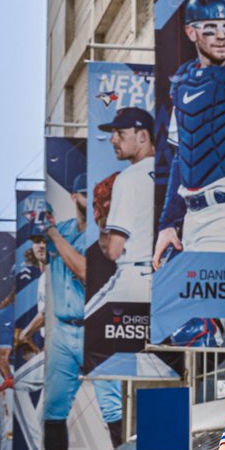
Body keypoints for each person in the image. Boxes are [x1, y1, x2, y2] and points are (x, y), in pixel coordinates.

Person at [152, 0, 225, 264]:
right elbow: (181, 159)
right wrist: (167, 224)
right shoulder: (183, 82)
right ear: (191, 33)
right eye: (211, 29)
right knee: (190, 304)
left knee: (214, 305)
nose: (221, 36)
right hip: (191, 220)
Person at [40, 172, 123, 450]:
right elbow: (45, 262)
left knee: (112, 407)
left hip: (95, 328)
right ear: (74, 197)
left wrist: (53, 236)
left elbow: (87, 274)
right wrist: (42, 245)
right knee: (54, 407)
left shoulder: (100, 235)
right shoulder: (59, 230)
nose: (90, 200)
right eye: (83, 193)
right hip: (63, 327)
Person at [85, 107, 156, 317]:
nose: (113, 140)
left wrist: (102, 223)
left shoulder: (128, 178)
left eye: (121, 133)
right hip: (168, 279)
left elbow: (114, 250)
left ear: (143, 136)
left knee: (87, 325)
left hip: (134, 277)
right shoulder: (172, 172)